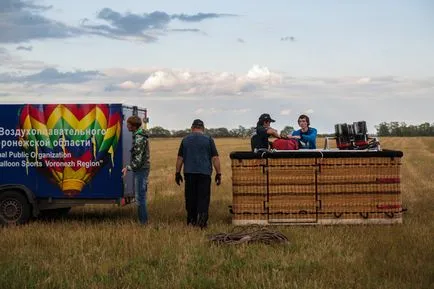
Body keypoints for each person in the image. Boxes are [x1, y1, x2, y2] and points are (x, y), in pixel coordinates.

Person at [175, 119, 221, 229]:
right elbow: (215, 158)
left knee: (190, 197)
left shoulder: (185, 140)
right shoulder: (209, 139)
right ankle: (202, 223)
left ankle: (191, 221)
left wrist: (177, 173)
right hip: (204, 173)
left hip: (189, 173)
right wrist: (219, 173)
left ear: (192, 128)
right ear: (203, 128)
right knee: (203, 198)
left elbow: (180, 158)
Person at [122, 115, 150, 225]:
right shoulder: (139, 135)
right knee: (140, 196)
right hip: (142, 169)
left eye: (128, 124)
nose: (127, 126)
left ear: (133, 126)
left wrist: (127, 168)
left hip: (141, 170)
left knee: (140, 198)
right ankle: (143, 221)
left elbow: (138, 160)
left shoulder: (139, 138)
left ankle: (143, 223)